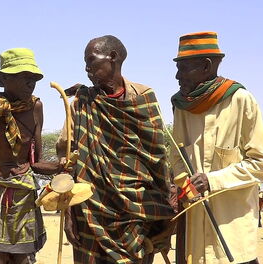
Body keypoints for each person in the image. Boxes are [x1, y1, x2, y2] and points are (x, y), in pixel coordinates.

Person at [56, 35, 175, 264]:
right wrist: (69, 213)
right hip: (90, 214)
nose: (86, 68)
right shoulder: (81, 104)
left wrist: (163, 210)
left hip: (137, 212)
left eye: (91, 60)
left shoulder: (143, 98)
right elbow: (67, 159)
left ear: (113, 57)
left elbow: (157, 158)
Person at [170, 32, 263, 264]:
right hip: (193, 238)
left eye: (184, 68)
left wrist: (212, 181)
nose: (177, 76)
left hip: (232, 236)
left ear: (206, 66)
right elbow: (176, 157)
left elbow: (262, 164)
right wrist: (185, 182)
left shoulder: (241, 100)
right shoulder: (181, 107)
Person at [0, 48, 62, 264]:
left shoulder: (36, 107)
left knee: (23, 259)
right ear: (2, 79)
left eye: (34, 78)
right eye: (24, 76)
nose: (30, 83)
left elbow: (35, 162)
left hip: (24, 194)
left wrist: (59, 168)